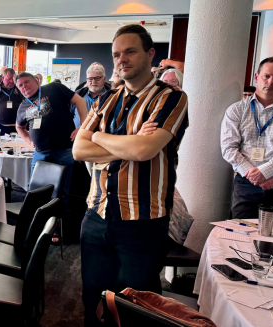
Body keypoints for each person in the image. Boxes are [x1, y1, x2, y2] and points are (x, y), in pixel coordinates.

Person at [72, 25, 189, 327]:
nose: (121, 59)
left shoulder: (170, 98)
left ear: (150, 54)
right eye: (116, 54)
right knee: (93, 302)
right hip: (96, 216)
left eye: (130, 51)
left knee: (138, 305)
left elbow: (144, 150)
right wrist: (129, 142)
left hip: (142, 222)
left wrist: (98, 136)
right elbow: (78, 150)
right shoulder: (105, 100)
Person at [221, 57, 273, 219]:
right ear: (256, 77)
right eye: (266, 76)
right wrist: (258, 177)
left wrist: (265, 171)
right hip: (247, 184)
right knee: (240, 234)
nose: (271, 81)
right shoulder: (237, 110)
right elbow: (228, 148)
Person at [15, 72, 87, 201]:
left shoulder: (54, 88)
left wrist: (82, 126)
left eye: (26, 82)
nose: (24, 86)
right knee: (35, 190)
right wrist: (30, 141)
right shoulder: (23, 106)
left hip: (63, 150)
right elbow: (19, 127)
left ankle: (58, 220)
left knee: (61, 191)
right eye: (20, 85)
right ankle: (36, 219)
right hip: (40, 153)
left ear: (36, 81)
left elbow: (80, 101)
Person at [75, 62, 111, 129]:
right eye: (90, 79)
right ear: (87, 80)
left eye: (97, 78)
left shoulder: (112, 97)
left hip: (100, 137)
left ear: (104, 79)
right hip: (77, 138)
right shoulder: (77, 95)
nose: (93, 81)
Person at [0, 68, 23, 135]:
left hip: (17, 127)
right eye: (8, 79)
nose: (11, 81)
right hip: (0, 127)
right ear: (3, 78)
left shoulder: (20, 89)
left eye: (13, 79)